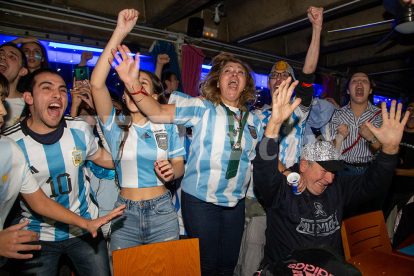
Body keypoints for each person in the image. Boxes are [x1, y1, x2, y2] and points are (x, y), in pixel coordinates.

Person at [111, 24, 264, 274]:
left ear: (245, 83)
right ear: (218, 80)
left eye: (240, 72)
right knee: (205, 264)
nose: (234, 74)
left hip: (234, 203)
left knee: (228, 264)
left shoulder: (255, 121)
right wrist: (133, 85)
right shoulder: (201, 108)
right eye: (228, 71)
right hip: (201, 200)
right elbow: (158, 111)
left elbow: (265, 158)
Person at [253, 77, 409, 265]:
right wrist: (273, 127)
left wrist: (389, 150)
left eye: (333, 171)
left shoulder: (337, 187)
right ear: (303, 165)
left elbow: (373, 184)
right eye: (324, 170)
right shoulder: (282, 189)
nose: (329, 179)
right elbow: (263, 168)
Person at [2, 68, 120, 275]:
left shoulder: (79, 129)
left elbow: (104, 158)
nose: (57, 94)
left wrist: (143, 162)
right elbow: (35, 202)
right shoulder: (11, 143)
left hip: (85, 229)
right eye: (46, 88)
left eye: (62, 90)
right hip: (37, 235)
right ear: (28, 97)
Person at [90, 8, 186, 259]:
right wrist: (120, 31)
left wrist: (172, 171)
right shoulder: (115, 124)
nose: (133, 89)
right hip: (124, 216)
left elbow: (179, 165)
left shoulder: (165, 124)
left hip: (163, 212)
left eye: (141, 84)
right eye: (129, 84)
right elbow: (96, 84)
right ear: (123, 94)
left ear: (154, 97)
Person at [0, 42, 28, 129]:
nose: (3, 57)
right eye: (0, 54)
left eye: (12, 56)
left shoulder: (29, 107)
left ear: (22, 71)